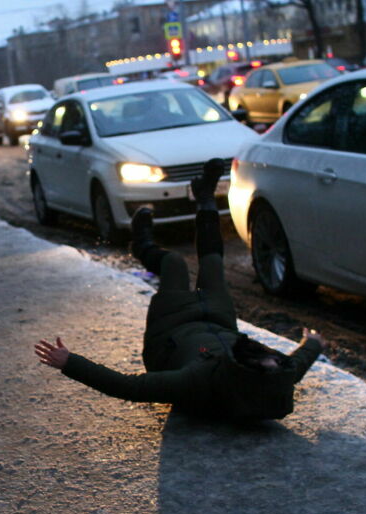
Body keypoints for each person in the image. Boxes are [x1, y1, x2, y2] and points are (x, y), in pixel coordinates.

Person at [36, 159, 326, 420]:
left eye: (267, 356)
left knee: (174, 263)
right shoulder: (278, 374)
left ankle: (142, 244)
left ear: (245, 367)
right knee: (212, 262)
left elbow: (130, 387)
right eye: (276, 359)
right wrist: (313, 343)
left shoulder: (198, 379)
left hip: (170, 332)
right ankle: (204, 197)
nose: (274, 355)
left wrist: (69, 363)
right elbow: (296, 364)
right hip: (217, 321)